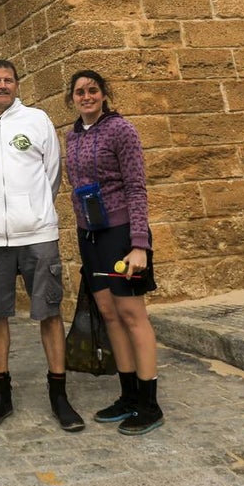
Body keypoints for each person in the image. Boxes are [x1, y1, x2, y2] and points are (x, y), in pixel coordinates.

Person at [0, 60, 85, 432]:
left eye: (8, 80)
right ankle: (2, 395)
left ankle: (59, 395)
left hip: (38, 234)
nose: (2, 85)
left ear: (17, 84)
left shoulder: (36, 120)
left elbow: (52, 173)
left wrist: (34, 210)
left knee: (48, 312)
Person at [63, 70, 164, 436]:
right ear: (71, 98)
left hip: (121, 233)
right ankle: (128, 395)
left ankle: (149, 404)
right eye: (79, 92)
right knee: (108, 313)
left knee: (132, 314)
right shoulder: (71, 135)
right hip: (90, 236)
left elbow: (137, 187)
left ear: (104, 94)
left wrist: (140, 245)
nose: (86, 96)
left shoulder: (122, 130)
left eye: (92, 90)